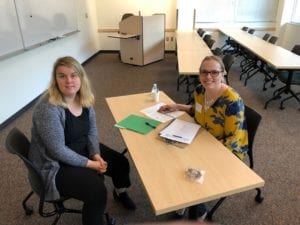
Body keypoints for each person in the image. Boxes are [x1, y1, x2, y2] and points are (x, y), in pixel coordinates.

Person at [28, 56, 136, 225]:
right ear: (55, 79)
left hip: (80, 148)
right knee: (97, 192)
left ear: (81, 77)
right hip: (56, 163)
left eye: (73, 75)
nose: (69, 81)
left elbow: (91, 131)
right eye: (62, 76)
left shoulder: (84, 98)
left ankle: (120, 192)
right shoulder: (48, 108)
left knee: (120, 163)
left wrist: (96, 154)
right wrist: (90, 164)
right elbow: (57, 150)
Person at [158, 55, 248, 221]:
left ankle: (199, 211)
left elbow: (233, 139)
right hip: (201, 137)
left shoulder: (232, 101)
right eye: (204, 72)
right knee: (170, 156)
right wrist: (177, 106)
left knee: (190, 169)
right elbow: (198, 110)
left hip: (227, 149)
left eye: (214, 72)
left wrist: (202, 154)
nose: (208, 77)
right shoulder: (200, 90)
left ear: (223, 73)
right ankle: (184, 200)